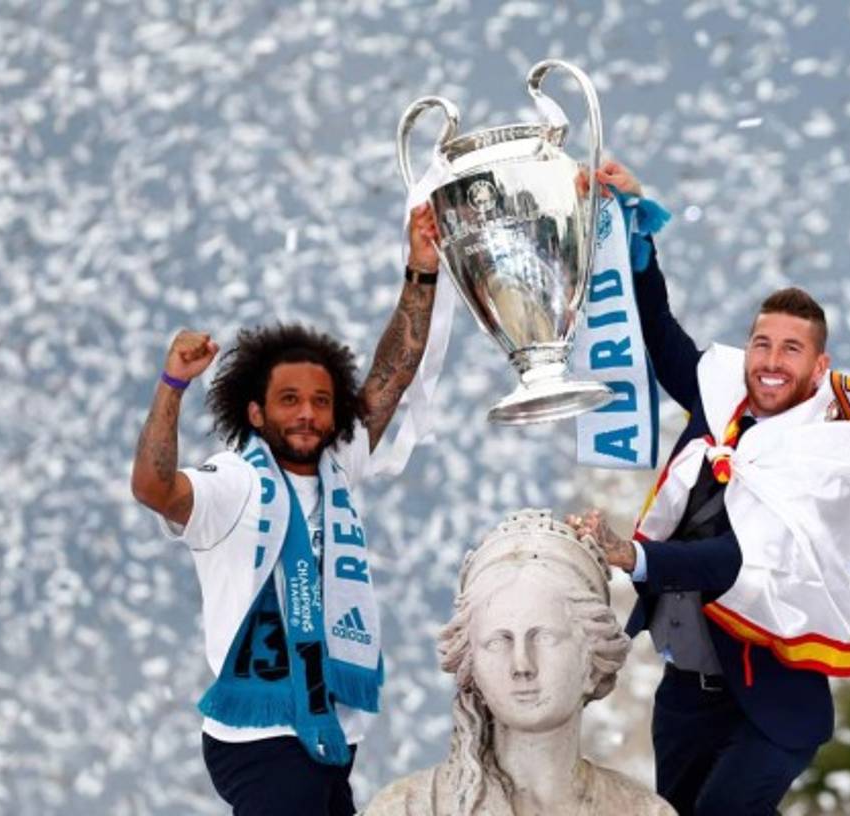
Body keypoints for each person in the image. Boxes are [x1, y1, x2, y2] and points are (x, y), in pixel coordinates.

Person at [571, 162, 850, 815]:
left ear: (819, 368)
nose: (771, 362)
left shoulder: (824, 456)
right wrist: (635, 242)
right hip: (684, 698)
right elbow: (661, 336)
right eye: (761, 343)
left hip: (767, 711)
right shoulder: (723, 401)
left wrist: (632, 556)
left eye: (791, 350)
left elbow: (737, 560)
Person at [130, 204, 442, 815]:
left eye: (321, 402)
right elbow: (153, 487)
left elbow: (391, 375)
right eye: (289, 400)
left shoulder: (338, 464)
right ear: (255, 412)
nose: (307, 414)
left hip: (330, 730)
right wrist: (172, 387)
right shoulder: (233, 483)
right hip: (260, 734)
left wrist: (421, 270)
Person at [364, 509, 676, 816]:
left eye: (544, 637)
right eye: (499, 642)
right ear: (470, 662)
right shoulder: (406, 809)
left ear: (593, 657)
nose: (522, 665)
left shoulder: (641, 811)